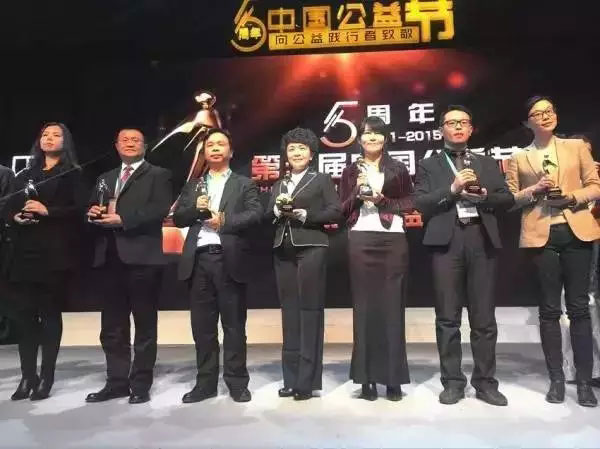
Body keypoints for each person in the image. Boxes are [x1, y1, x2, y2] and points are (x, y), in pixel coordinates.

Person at [414, 105, 514, 406]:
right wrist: (453, 189)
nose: (457, 127)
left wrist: (483, 197)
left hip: (481, 238)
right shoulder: (429, 165)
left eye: (463, 123)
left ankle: (485, 383)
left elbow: (506, 198)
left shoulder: (486, 162)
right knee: (448, 317)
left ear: (471, 129)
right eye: (451, 123)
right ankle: (453, 382)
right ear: (441, 130)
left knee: (484, 318)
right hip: (447, 242)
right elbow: (421, 202)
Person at [505, 96, 600, 407]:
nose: (545, 116)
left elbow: (595, 185)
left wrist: (571, 198)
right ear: (527, 122)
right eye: (537, 113)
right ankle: (556, 380)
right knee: (548, 310)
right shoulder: (519, 157)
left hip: (576, 231)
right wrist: (534, 191)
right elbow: (510, 199)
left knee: (579, 309)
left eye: (549, 111)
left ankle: (584, 382)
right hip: (541, 235)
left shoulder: (576, 147)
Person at [174, 128, 262, 403]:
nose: (214, 148)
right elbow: (178, 218)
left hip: (228, 258)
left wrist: (224, 221)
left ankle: (237, 382)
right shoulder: (194, 185)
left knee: (233, 326)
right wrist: (195, 209)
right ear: (204, 152)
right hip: (198, 260)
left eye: (220, 144)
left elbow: (255, 214)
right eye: (210, 144)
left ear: (230, 151)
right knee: (203, 328)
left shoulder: (244, 184)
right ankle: (205, 384)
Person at [85, 128, 172, 404]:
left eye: (136, 140)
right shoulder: (105, 177)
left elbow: (159, 209)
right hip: (109, 259)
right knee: (112, 327)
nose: (130, 143)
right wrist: (92, 213)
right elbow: (93, 206)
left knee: (144, 325)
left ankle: (141, 384)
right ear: (116, 145)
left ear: (145, 146)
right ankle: (116, 382)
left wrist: (123, 220)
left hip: (143, 259)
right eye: (125, 139)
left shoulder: (159, 175)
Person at [4, 122, 84, 400]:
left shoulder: (73, 174)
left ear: (65, 141)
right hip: (24, 253)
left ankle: (46, 377)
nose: (49, 139)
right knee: (24, 316)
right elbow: (9, 206)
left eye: (56, 135)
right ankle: (28, 376)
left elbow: (80, 211)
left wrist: (49, 211)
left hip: (54, 254)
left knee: (49, 315)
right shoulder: (25, 174)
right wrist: (15, 216)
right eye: (45, 135)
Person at [338, 116, 413, 401]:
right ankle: (366, 378)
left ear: (385, 138)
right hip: (360, 238)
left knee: (392, 308)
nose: (372, 138)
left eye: (377, 134)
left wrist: (381, 200)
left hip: (392, 238)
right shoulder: (349, 171)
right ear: (359, 139)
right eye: (367, 134)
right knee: (364, 308)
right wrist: (357, 195)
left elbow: (410, 201)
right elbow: (341, 209)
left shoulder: (398, 168)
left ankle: (393, 378)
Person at [266, 127, 342, 401]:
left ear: (311, 154)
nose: (296, 153)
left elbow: (335, 211)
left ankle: (306, 382)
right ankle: (290, 379)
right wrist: (275, 211)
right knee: (289, 313)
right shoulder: (280, 183)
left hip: (311, 247)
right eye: (291, 149)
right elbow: (268, 213)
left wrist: (305, 215)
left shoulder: (320, 179)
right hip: (282, 249)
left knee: (310, 311)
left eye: (301, 148)